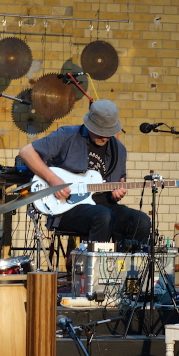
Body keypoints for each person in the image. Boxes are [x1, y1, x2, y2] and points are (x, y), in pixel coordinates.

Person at [18, 99, 151, 248]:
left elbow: (119, 182)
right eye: (100, 132)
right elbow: (26, 152)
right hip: (67, 207)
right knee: (103, 216)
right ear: (89, 125)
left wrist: (118, 193)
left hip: (104, 206)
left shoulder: (119, 149)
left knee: (141, 220)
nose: (104, 137)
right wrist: (53, 180)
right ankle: (93, 262)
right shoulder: (66, 135)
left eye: (109, 133)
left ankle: (126, 262)